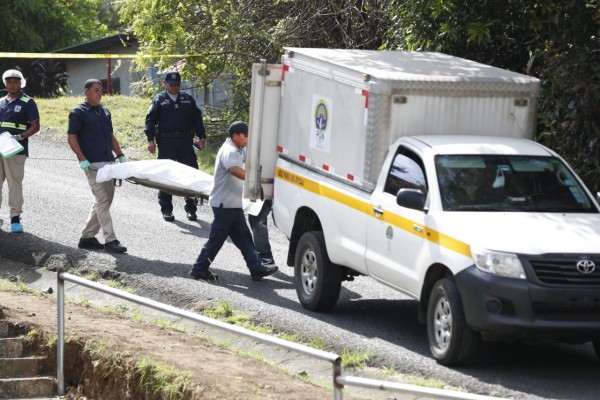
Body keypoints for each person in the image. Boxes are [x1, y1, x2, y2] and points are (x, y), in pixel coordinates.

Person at [189, 121, 278, 282]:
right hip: (224, 205)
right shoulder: (229, 151)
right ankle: (199, 268)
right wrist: (255, 180)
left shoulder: (236, 149)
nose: (247, 140)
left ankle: (256, 268)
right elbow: (234, 169)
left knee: (244, 238)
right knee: (216, 239)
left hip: (232, 204)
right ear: (236, 135)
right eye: (245, 136)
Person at [67, 79, 127, 254]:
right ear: (86, 91)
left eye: (101, 90)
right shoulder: (78, 112)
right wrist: (81, 159)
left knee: (105, 201)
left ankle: (87, 237)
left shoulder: (105, 112)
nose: (99, 93)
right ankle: (111, 239)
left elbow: (110, 135)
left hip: (109, 162)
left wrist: (120, 155)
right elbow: (72, 138)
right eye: (96, 90)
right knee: (102, 200)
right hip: (92, 164)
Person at [144, 71, 207, 222]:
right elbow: (150, 121)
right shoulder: (159, 99)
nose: (174, 87)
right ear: (165, 83)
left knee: (190, 174)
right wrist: (150, 140)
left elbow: (197, 119)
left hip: (186, 141)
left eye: (177, 84)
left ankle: (191, 209)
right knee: (166, 176)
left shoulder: (187, 99)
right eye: (171, 84)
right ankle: (167, 209)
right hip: (166, 142)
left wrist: (202, 137)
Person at [0, 69, 40, 233]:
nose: (12, 84)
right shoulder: (1, 101)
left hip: (16, 150)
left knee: (14, 183)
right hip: (0, 148)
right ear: (5, 83)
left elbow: (35, 126)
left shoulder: (27, 102)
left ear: (21, 83)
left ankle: (15, 219)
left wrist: (20, 137)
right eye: (9, 81)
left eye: (15, 81)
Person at [248, 199, 276, 267]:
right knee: (254, 218)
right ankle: (264, 257)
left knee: (257, 220)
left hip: (264, 191)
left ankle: (265, 257)